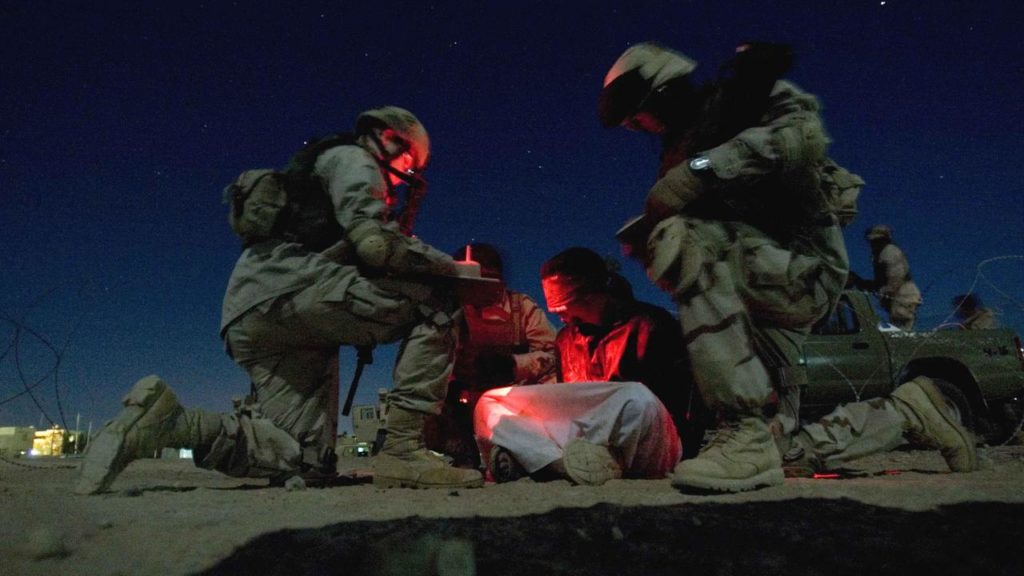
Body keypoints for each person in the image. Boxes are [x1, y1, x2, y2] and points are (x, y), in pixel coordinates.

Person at [597, 42, 975, 493]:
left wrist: (700, 170)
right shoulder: (677, 149)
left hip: (803, 269)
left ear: (661, 91)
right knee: (784, 454)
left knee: (682, 239)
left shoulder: (743, 99)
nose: (639, 128)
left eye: (637, 117)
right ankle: (908, 412)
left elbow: (801, 138)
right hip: (753, 299)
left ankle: (742, 427)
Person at [76, 106, 484, 494]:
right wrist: (452, 269)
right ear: (386, 137)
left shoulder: (319, 169)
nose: (404, 176)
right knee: (438, 303)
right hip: (295, 290)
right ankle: (403, 452)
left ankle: (170, 425)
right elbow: (375, 244)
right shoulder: (355, 159)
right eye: (408, 162)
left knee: (301, 459)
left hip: (252, 309)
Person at [473, 247, 700, 485]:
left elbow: (672, 409)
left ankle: (534, 459)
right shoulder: (565, 340)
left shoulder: (650, 325)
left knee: (635, 398)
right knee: (491, 401)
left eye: (563, 307)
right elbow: (571, 404)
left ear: (591, 295)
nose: (559, 316)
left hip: (645, 437)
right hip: (581, 442)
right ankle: (557, 464)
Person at [424, 242, 558, 468]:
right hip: (465, 400)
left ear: (499, 280)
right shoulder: (448, 312)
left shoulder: (523, 308)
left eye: (485, 279)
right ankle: (459, 450)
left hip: (516, 399)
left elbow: (553, 354)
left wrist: (512, 365)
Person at [848, 225, 922, 330]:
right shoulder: (882, 253)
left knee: (900, 332)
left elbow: (895, 278)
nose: (872, 244)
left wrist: (881, 290)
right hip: (898, 297)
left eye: (875, 240)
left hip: (903, 296)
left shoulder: (889, 251)